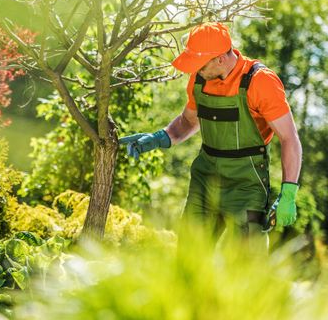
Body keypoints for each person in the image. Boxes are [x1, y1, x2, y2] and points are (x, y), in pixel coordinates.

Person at [119, 22, 302, 252]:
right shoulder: (199, 79)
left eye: (200, 64)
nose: (195, 70)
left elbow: (289, 138)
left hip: (245, 183)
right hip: (205, 179)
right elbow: (188, 121)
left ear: (220, 59)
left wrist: (288, 192)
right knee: (190, 257)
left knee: (246, 264)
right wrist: (158, 138)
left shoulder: (259, 81)